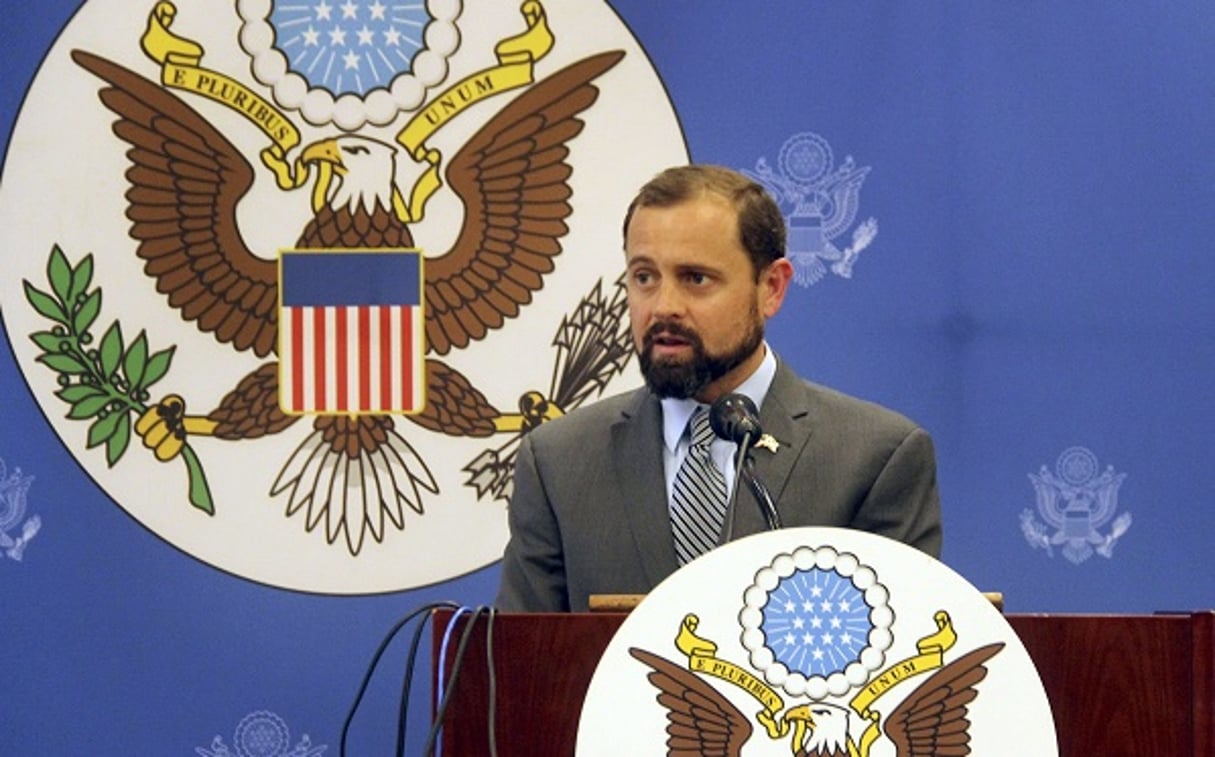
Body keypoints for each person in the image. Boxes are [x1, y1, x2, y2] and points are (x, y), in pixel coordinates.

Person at [495, 165, 941, 612]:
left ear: (771, 288)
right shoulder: (559, 463)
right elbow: (526, 670)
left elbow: (897, 662)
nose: (663, 307)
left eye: (695, 279)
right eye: (644, 277)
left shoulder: (874, 458)